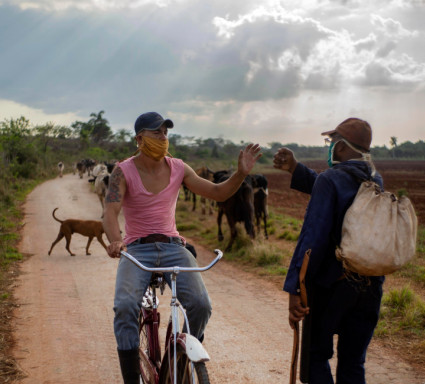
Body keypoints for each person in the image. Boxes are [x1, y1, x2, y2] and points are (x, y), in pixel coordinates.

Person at [103, 111, 262, 384]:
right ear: (140, 139)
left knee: (201, 305)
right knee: (126, 306)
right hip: (137, 249)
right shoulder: (123, 171)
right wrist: (117, 240)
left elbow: (218, 192)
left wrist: (239, 174)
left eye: (166, 132)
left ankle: (181, 353)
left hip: (174, 247)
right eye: (157, 133)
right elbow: (110, 211)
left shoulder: (178, 167)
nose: (163, 137)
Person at [273, 118, 384, 384]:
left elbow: (312, 240)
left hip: (332, 287)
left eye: (332, 142)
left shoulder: (330, 179)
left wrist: (295, 289)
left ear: (343, 147)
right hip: (370, 286)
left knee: (315, 357)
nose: (330, 146)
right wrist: (296, 169)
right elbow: (335, 187)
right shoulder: (375, 179)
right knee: (353, 363)